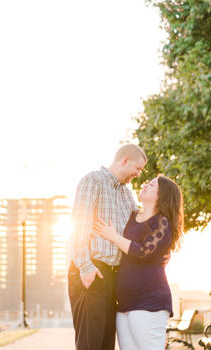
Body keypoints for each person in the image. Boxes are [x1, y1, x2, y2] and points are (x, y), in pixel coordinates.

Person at [67, 144, 147, 350]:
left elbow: (140, 226)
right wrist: (86, 268)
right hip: (92, 271)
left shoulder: (127, 195)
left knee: (105, 345)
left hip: (113, 277)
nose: (138, 174)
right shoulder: (92, 181)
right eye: (138, 168)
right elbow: (79, 226)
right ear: (125, 160)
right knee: (90, 344)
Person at [94, 174, 184, 350]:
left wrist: (113, 236)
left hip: (149, 301)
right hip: (124, 303)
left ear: (161, 195)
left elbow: (143, 251)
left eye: (151, 185)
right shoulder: (133, 216)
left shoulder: (161, 222)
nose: (145, 185)